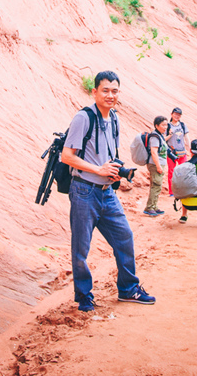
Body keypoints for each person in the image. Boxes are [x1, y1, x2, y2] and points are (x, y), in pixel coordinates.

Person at [60, 71, 155, 312]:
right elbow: (67, 156)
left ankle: (128, 289)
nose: (110, 95)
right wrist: (99, 169)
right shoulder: (83, 118)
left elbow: (109, 156)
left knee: (124, 238)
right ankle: (83, 296)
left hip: (106, 193)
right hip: (83, 190)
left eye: (115, 91)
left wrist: (116, 170)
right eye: (105, 90)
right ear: (95, 92)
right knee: (81, 247)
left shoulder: (114, 119)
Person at [143, 116, 169, 217]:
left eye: (166, 125)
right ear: (157, 125)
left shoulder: (160, 135)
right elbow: (154, 152)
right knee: (156, 185)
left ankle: (154, 206)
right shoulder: (154, 136)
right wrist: (158, 166)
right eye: (163, 125)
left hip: (158, 164)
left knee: (157, 185)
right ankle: (149, 207)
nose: (165, 127)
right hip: (155, 164)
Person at [165, 108, 190, 196]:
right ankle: (172, 192)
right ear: (171, 114)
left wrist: (189, 147)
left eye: (178, 115)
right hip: (171, 152)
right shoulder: (167, 126)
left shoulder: (182, 125)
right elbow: (163, 139)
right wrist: (170, 135)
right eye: (175, 114)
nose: (177, 116)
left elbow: (186, 137)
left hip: (182, 152)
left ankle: (183, 190)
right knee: (171, 171)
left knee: (184, 171)